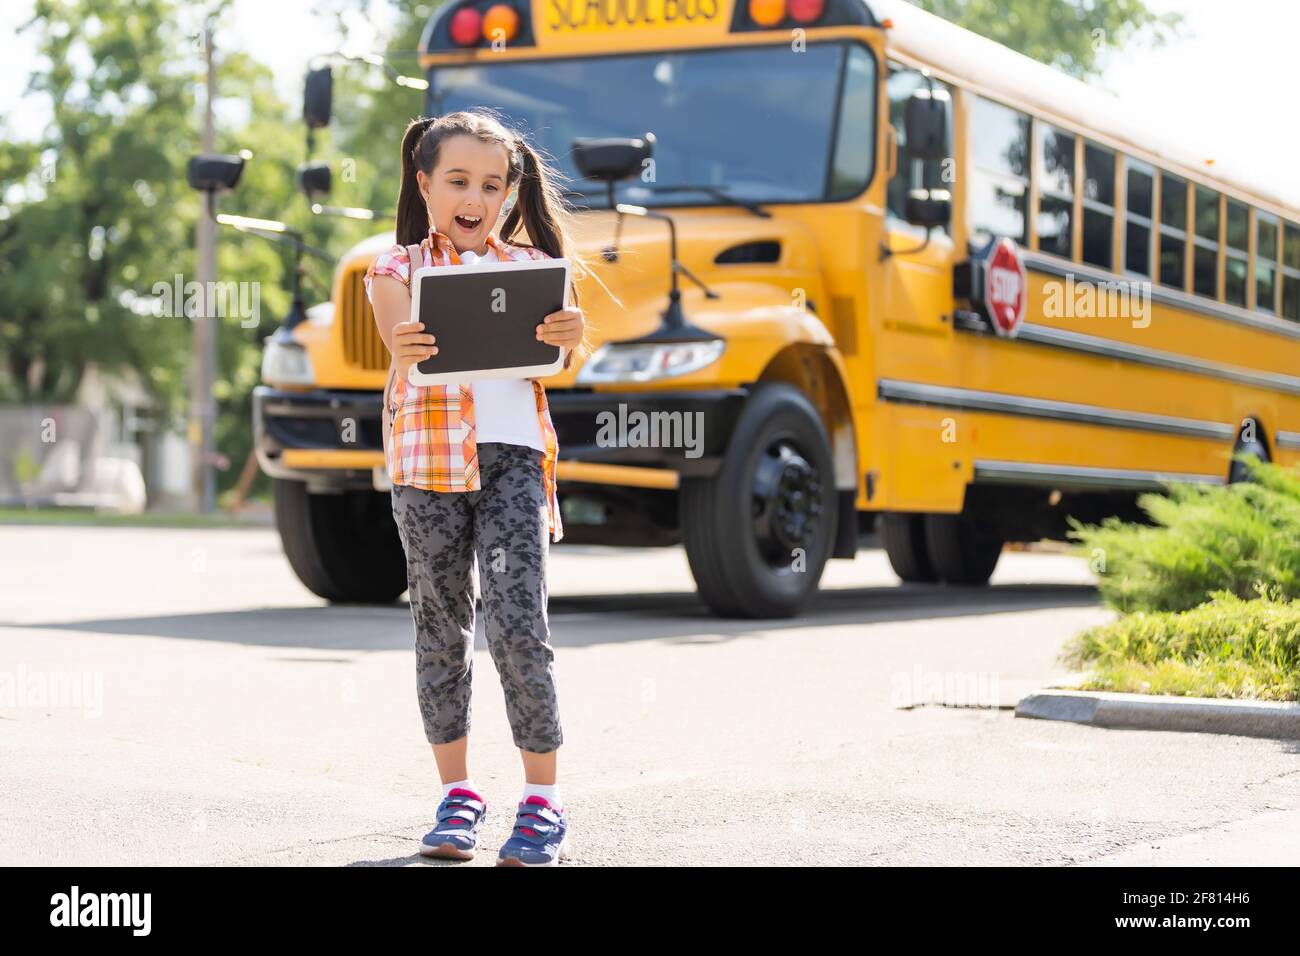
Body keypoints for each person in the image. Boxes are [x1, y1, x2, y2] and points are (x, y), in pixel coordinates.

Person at [364, 109, 588, 866]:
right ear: (425, 184)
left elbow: (561, 368)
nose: (475, 196)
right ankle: (458, 796)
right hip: (426, 465)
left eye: (491, 184)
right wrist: (403, 338)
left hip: (514, 461)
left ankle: (542, 802)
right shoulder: (395, 268)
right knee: (441, 628)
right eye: (458, 180)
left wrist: (568, 341)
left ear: (508, 193)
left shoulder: (532, 271)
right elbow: (400, 336)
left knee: (519, 624)